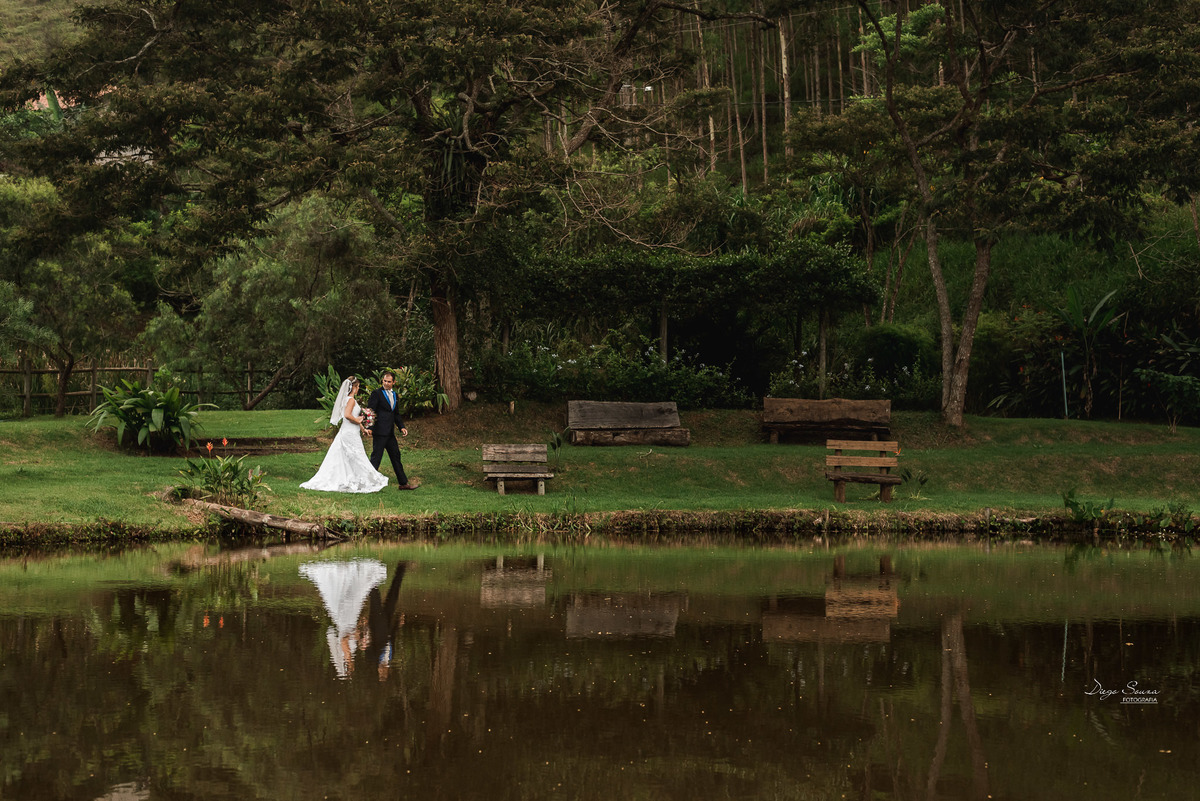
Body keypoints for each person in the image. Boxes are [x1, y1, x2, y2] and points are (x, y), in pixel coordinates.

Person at [300, 377, 388, 493]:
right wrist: (357, 421)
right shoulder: (351, 400)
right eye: (357, 387)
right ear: (354, 387)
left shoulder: (346, 399)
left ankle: (351, 479)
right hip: (350, 433)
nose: (358, 389)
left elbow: (351, 418)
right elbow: (347, 415)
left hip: (348, 430)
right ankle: (365, 480)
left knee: (347, 457)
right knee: (357, 456)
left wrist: (362, 428)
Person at [367, 370, 416, 490]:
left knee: (396, 456)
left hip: (390, 433)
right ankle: (368, 483)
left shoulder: (394, 395)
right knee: (376, 458)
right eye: (384, 381)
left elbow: (396, 414)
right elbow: (370, 411)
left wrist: (402, 427)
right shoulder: (376, 393)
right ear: (382, 381)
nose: (386, 383)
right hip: (379, 432)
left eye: (389, 381)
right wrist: (369, 427)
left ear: (394, 382)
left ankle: (403, 483)